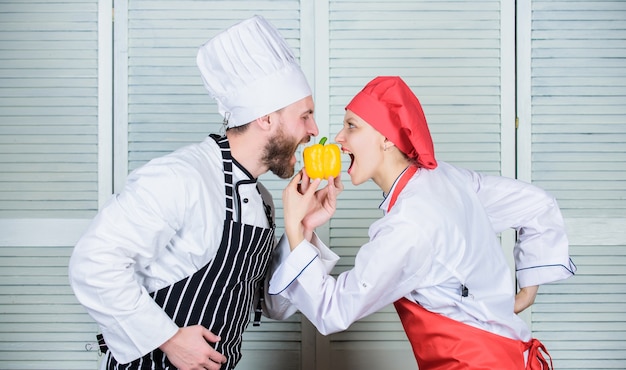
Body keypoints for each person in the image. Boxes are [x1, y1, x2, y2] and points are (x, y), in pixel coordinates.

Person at [270, 76, 577, 369]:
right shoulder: (445, 178)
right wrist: (526, 291)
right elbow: (538, 204)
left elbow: (332, 310)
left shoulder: (408, 226)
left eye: (352, 126)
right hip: (513, 355)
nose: (338, 137)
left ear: (388, 139)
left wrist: (296, 227)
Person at [69, 15, 318, 370]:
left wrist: (304, 226)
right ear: (266, 118)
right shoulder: (181, 178)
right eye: (305, 115)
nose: (314, 129)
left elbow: (272, 306)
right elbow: (92, 263)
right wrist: (168, 339)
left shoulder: (262, 201)